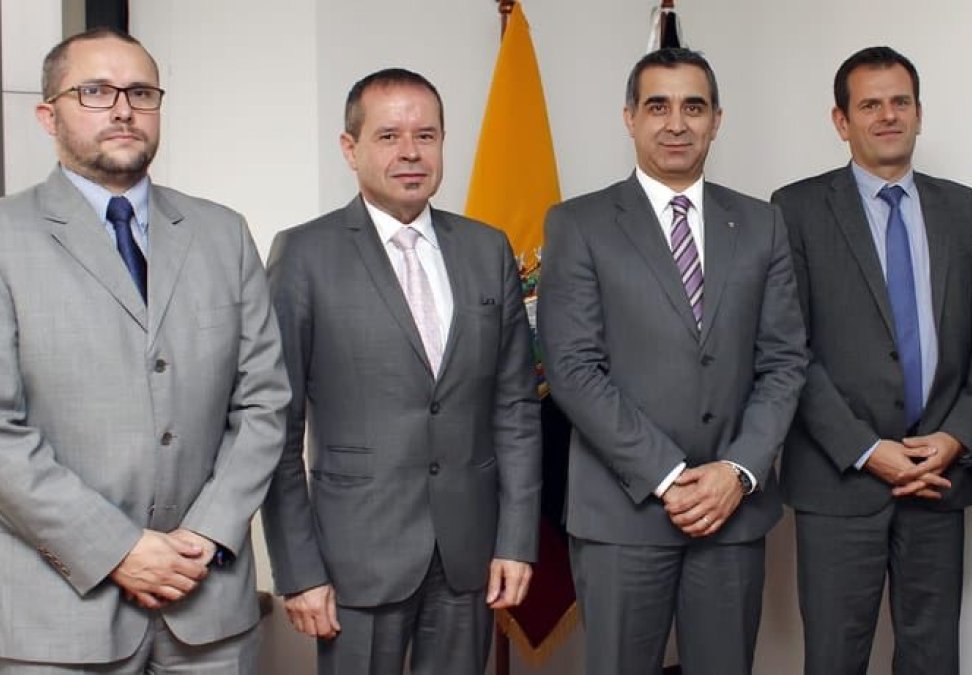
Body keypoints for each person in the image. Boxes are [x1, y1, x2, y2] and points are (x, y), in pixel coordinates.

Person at [0, 27, 290, 672]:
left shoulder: (223, 233)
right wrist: (116, 548)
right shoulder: (5, 237)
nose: (123, 108)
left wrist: (205, 535)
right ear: (48, 114)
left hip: (208, 605)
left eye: (141, 91)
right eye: (95, 91)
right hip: (58, 621)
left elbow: (264, 401)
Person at [260, 67, 541, 675]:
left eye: (427, 135)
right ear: (350, 148)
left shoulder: (487, 249)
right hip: (354, 560)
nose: (411, 152)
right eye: (388, 136)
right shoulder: (304, 255)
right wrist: (299, 570)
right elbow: (274, 429)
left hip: (469, 555)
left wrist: (516, 539)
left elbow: (516, 409)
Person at [537, 47, 808, 675]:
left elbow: (785, 361)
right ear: (629, 118)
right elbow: (573, 369)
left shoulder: (762, 224)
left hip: (732, 511)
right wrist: (669, 476)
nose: (676, 123)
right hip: (623, 514)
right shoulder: (578, 224)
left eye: (694, 107)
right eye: (658, 106)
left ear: (717, 119)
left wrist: (736, 471)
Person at [770, 45, 972, 674]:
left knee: (932, 658)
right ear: (841, 121)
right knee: (835, 657)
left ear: (920, 114)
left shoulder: (964, 208)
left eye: (900, 102)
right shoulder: (794, 209)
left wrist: (956, 436)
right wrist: (870, 450)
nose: (887, 116)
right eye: (869, 104)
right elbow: (790, 348)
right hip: (840, 479)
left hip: (938, 475)